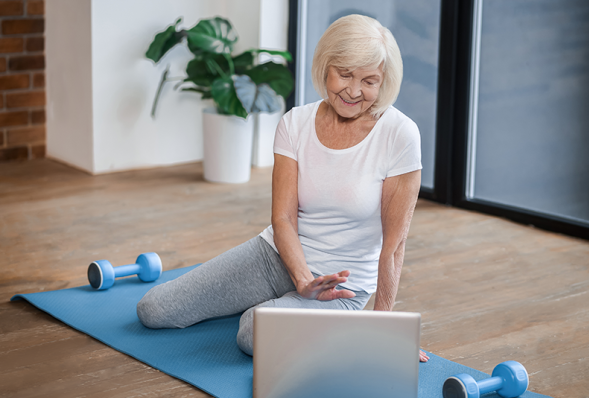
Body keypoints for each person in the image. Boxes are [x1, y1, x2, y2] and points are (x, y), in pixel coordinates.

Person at [137, 14, 430, 363]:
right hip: (274, 256)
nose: (354, 91)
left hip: (341, 287)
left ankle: (338, 322)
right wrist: (302, 279)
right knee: (153, 310)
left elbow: (394, 247)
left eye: (370, 81)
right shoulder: (295, 123)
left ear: (384, 83)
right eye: (345, 74)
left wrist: (383, 329)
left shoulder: (400, 134)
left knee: (252, 332)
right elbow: (284, 218)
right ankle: (290, 307)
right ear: (325, 67)